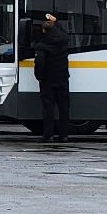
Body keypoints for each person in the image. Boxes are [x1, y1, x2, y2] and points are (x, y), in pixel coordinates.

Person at [31, 12, 72, 142]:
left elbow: (39, 64)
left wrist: (39, 77)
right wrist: (56, 21)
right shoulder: (63, 41)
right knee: (64, 108)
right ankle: (63, 135)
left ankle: (48, 135)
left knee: (48, 109)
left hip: (48, 80)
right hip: (63, 79)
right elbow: (62, 32)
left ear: (45, 31)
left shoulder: (43, 46)